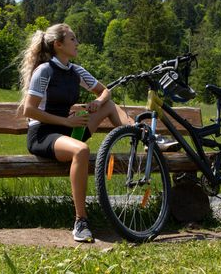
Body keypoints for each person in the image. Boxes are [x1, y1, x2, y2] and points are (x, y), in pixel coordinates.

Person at [18, 23, 134, 243]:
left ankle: (142, 138)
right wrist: (65, 120)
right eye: (73, 39)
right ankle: (81, 221)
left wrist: (96, 103)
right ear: (58, 44)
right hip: (44, 135)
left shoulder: (76, 71)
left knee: (109, 105)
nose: (77, 43)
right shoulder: (44, 71)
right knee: (81, 150)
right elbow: (29, 110)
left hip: (68, 130)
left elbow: (105, 91)